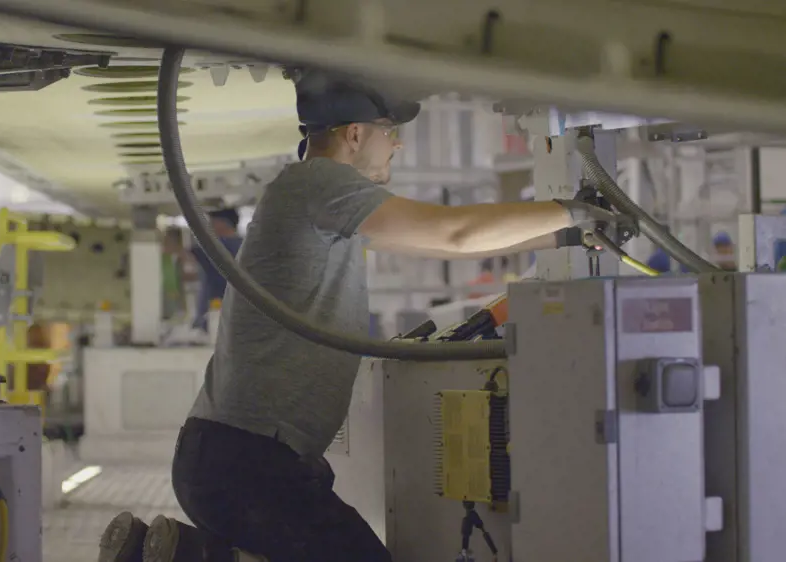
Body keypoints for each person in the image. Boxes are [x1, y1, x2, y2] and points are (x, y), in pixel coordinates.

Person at [97, 71, 624, 562]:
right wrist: (576, 209)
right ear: (354, 134)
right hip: (249, 462)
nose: (396, 143)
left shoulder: (314, 196)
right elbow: (453, 234)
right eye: (389, 131)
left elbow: (451, 244)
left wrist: (568, 232)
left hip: (233, 459)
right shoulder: (317, 184)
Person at [188, 208, 243, 331]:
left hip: (214, 317)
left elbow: (187, 251)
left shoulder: (215, 247)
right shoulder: (244, 246)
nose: (209, 226)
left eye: (212, 222)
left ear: (222, 223)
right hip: (236, 317)